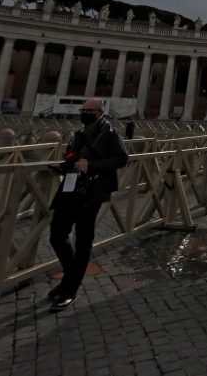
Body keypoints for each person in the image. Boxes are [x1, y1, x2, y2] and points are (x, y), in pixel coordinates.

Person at [47, 98, 128, 311]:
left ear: (101, 113)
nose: (85, 113)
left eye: (89, 110)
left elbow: (121, 159)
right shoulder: (77, 134)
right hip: (70, 189)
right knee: (57, 234)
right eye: (83, 109)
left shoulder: (110, 134)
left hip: (93, 192)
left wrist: (92, 166)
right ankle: (70, 277)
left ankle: (70, 288)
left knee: (83, 240)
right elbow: (72, 158)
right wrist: (62, 166)